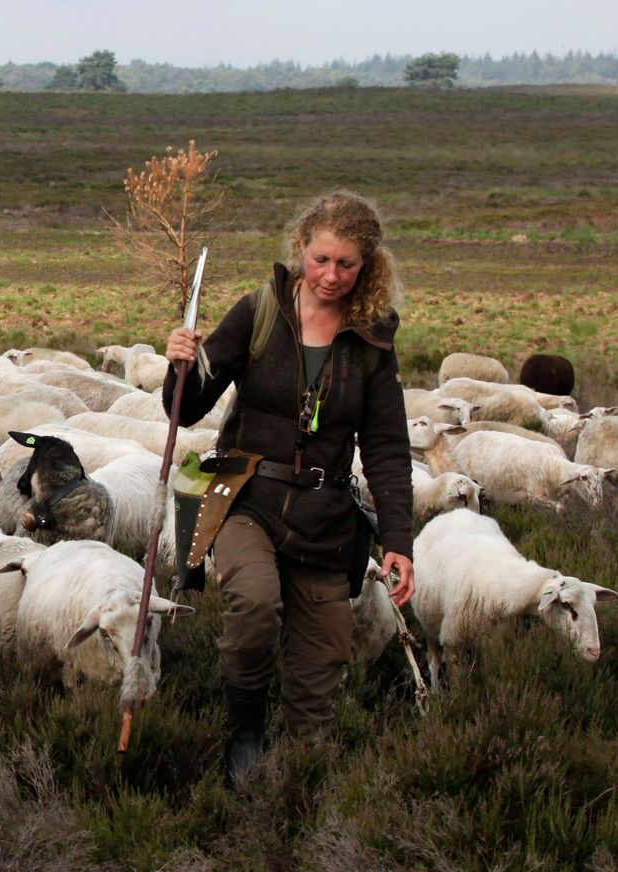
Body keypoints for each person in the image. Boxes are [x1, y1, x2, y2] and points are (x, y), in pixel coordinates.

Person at [162, 189, 415, 780]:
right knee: (254, 605)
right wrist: (180, 364)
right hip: (247, 497)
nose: (331, 275)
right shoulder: (259, 313)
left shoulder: (372, 342)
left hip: (326, 516)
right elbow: (187, 409)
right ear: (301, 248)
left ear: (366, 266)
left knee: (321, 663)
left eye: (347, 264)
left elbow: (386, 446)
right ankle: (244, 731)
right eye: (321, 259)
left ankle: (301, 776)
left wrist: (398, 538)